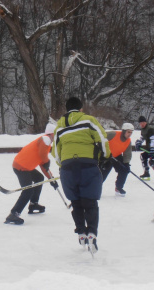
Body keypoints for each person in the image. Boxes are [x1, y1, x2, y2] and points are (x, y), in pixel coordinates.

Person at [52, 97, 110, 254]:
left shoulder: (59, 127)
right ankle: (92, 233)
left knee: (76, 203)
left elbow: (55, 152)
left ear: (66, 109)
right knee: (90, 202)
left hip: (67, 169)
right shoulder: (88, 120)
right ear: (81, 109)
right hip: (88, 166)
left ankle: (81, 233)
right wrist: (105, 156)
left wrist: (63, 164)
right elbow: (102, 138)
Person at [4, 123, 58, 225]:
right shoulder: (45, 139)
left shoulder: (46, 145)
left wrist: (52, 180)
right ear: (51, 134)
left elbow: (44, 166)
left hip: (26, 167)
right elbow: (43, 157)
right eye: (55, 134)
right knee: (28, 191)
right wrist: (47, 162)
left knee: (39, 178)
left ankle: (33, 204)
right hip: (21, 167)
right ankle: (13, 214)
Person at [100, 123, 133, 197]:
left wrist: (126, 163)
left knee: (124, 170)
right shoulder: (113, 134)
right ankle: (94, 189)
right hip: (105, 156)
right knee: (102, 175)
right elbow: (100, 138)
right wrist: (104, 152)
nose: (129, 134)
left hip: (116, 156)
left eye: (131, 132)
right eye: (128, 132)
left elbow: (127, 154)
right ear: (124, 131)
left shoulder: (128, 141)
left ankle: (119, 187)